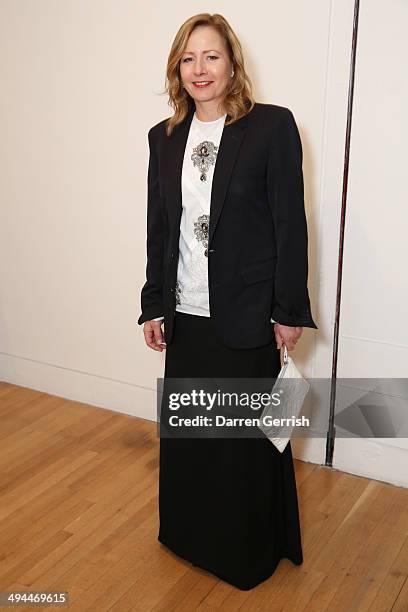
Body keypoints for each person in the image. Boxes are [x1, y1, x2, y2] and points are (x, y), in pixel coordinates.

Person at [138, 13, 318, 591]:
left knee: (243, 442)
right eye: (188, 59)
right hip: (186, 313)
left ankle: (246, 554)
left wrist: (288, 310)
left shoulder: (271, 127)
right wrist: (153, 302)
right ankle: (190, 538)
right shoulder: (162, 137)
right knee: (192, 435)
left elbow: (291, 225)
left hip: (246, 310)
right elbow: (160, 227)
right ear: (177, 69)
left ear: (232, 64)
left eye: (211, 56)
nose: (199, 69)